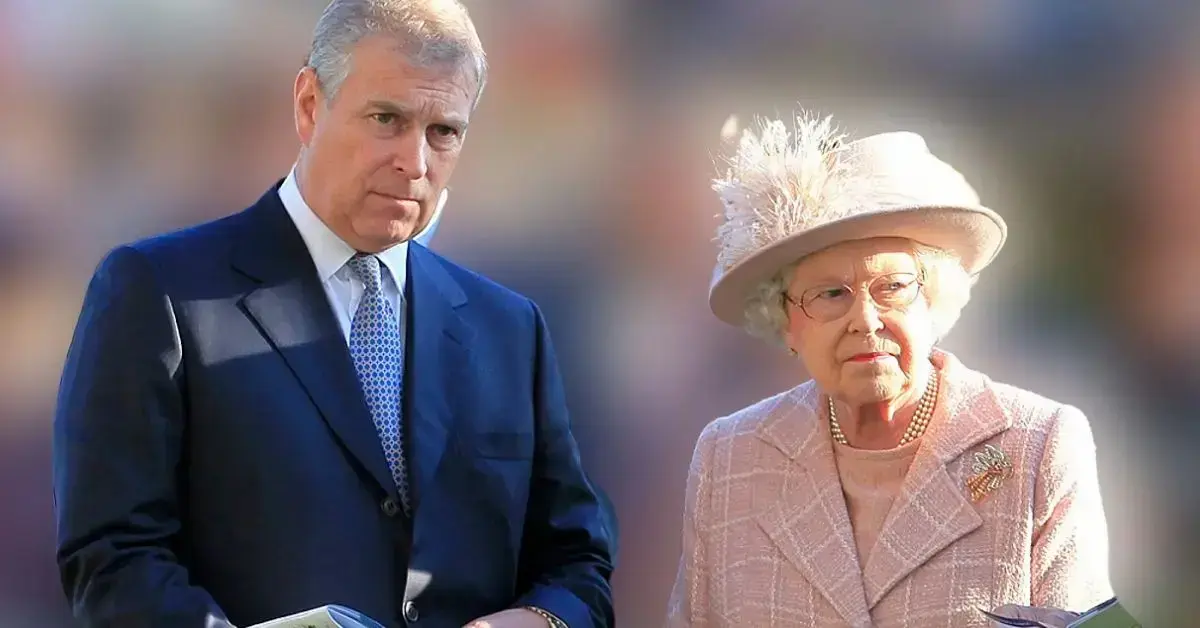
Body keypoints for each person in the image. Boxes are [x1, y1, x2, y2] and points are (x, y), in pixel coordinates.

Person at [52, 2, 616, 627]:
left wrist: (537, 621)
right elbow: (112, 560)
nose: (415, 163)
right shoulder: (159, 291)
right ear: (308, 104)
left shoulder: (511, 329)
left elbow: (579, 564)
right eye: (386, 119)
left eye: (443, 132)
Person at [665, 112, 1113, 626]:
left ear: (936, 299)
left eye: (893, 287)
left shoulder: (1039, 445)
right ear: (787, 322)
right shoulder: (729, 458)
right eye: (830, 294)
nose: (865, 319)